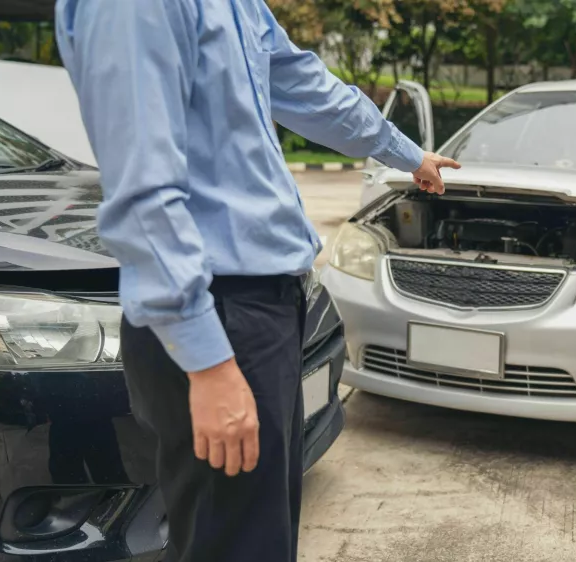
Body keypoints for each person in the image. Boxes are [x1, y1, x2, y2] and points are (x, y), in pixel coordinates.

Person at [54, 1, 459, 561]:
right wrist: (210, 363)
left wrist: (405, 152)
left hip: (263, 307)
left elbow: (307, 85)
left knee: (257, 540)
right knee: (234, 544)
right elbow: (143, 197)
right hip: (217, 313)